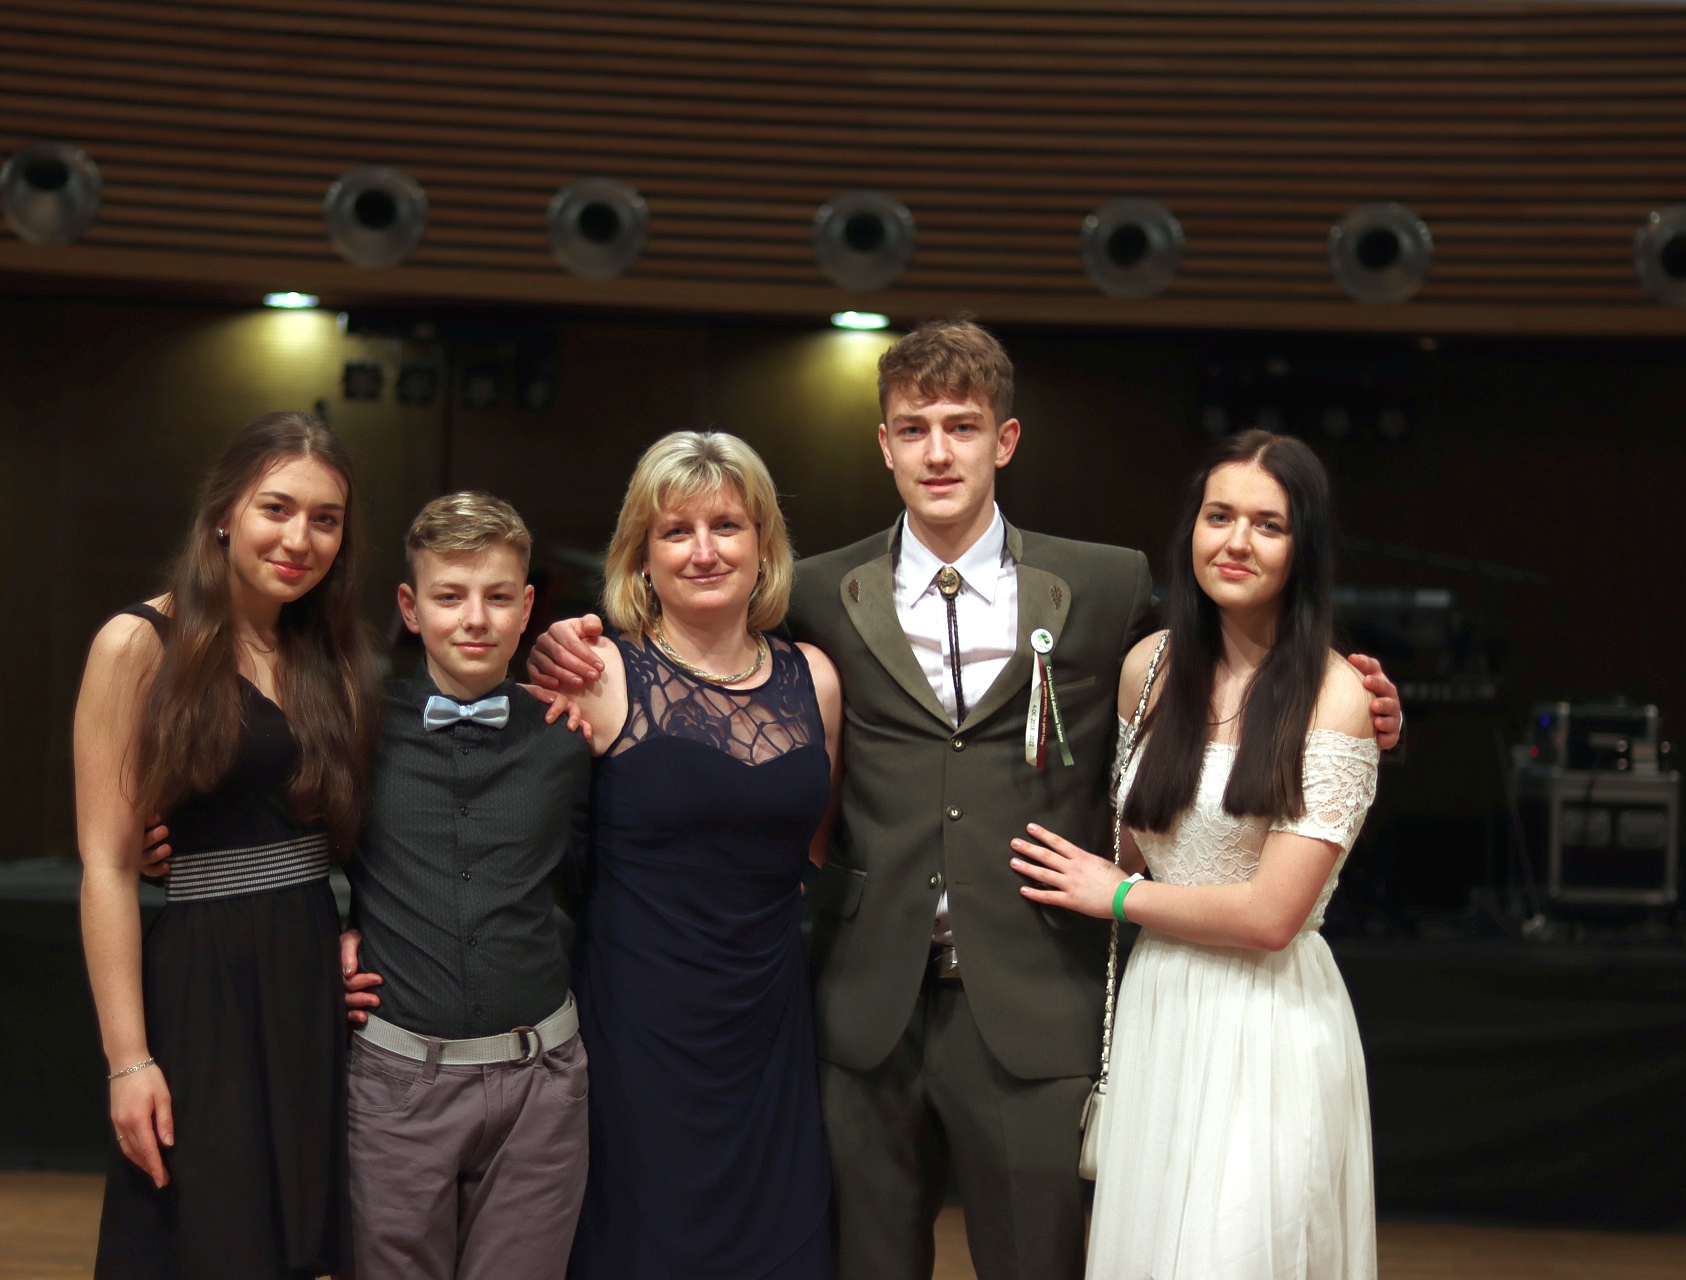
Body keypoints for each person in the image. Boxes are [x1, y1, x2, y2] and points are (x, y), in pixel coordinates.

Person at [530, 318, 1402, 1280]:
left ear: (1006, 440)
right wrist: (570, 639)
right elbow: (708, 659)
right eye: (914, 429)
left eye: (962, 426)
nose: (938, 452)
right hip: (862, 1008)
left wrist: (1359, 701)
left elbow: (1217, 674)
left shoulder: (1103, 584)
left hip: (1035, 1002)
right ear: (884, 445)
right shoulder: (817, 591)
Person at [1010, 430, 1380, 1279]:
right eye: (1219, 516)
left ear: (1304, 547)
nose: (1236, 542)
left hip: (1268, 1022)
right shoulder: (1150, 667)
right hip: (1161, 1009)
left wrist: (1115, 896)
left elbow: (1271, 916)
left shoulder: (1335, 694)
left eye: (1268, 525)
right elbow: (1130, 837)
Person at [76, 411, 377, 1280]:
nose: (299, 539)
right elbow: (107, 868)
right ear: (223, 513)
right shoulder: (139, 644)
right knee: (210, 1242)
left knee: (295, 1249)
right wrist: (128, 1061)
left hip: (307, 985)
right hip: (203, 986)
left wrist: (356, 931)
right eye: (276, 508)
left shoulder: (332, 654)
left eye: (325, 519)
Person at [548, 431, 843, 1280]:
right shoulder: (598, 673)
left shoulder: (815, 679)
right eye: (676, 531)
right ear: (642, 556)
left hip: (769, 1027)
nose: (704, 551)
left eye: (727, 526)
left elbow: (812, 849)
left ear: (764, 543)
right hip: (636, 1029)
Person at [337, 492, 593, 1280]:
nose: (475, 619)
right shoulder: (354, 730)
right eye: (450, 596)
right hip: (394, 1081)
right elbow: (291, 850)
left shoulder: (572, 733)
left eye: (497, 597)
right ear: (410, 608)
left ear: (527, 609)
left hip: (543, 1086)